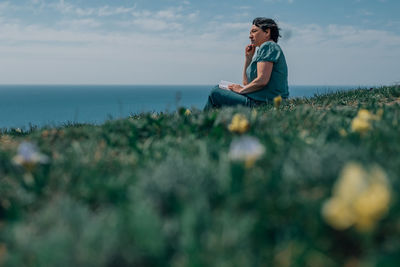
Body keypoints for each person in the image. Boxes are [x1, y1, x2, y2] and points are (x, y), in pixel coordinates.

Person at [204, 17, 288, 110]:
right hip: (262, 101)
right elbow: (246, 83)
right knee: (219, 89)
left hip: (264, 104)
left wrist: (241, 90)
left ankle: (203, 123)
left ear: (267, 32)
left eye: (254, 31)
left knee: (216, 93)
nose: (250, 36)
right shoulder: (266, 50)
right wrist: (248, 59)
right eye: (250, 33)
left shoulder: (268, 46)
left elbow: (262, 80)